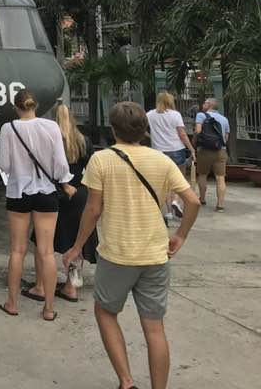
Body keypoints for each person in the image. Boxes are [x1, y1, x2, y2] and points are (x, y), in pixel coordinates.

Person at [63, 102, 200, 389]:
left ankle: (126, 382)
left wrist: (77, 247)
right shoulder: (162, 160)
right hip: (156, 254)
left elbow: (93, 210)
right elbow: (192, 200)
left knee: (105, 312)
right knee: (154, 328)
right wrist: (181, 235)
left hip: (117, 254)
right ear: (144, 129)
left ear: (113, 130)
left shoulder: (101, 160)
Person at [0, 90, 75, 321]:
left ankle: (12, 303)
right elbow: (60, 164)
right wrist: (63, 181)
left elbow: (4, 164)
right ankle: (48, 308)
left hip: (18, 191)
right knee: (46, 251)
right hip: (46, 192)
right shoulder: (51, 127)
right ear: (36, 105)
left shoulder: (8, 128)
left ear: (16, 107)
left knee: (17, 250)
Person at [29, 103, 95, 303]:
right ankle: (71, 287)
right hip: (79, 193)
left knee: (42, 241)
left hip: (53, 193)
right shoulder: (83, 141)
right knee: (76, 243)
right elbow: (91, 168)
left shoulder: (49, 140)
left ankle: (41, 286)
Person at [146, 91, 195, 220]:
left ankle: (169, 212)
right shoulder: (175, 114)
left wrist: (152, 137)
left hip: (158, 151)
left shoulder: (150, 114)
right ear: (170, 101)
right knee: (180, 179)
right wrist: (191, 149)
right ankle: (176, 201)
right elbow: (182, 134)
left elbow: (140, 128)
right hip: (176, 149)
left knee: (166, 182)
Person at [193, 98, 230, 211]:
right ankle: (220, 205)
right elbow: (226, 138)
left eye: (205, 103)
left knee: (202, 175)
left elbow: (198, 131)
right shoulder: (224, 119)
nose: (203, 104)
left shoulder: (201, 115)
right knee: (220, 177)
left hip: (204, 150)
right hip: (220, 150)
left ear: (209, 105)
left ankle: (202, 199)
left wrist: (194, 142)